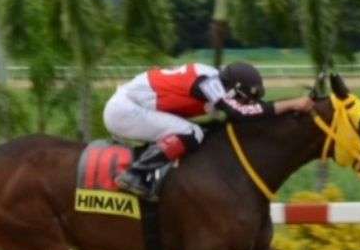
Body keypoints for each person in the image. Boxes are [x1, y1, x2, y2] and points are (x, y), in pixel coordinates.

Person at [102, 61, 314, 199]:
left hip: (133, 107)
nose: (244, 102)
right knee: (192, 132)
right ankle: (135, 174)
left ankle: (150, 173)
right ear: (233, 87)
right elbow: (239, 113)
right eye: (242, 96)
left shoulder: (215, 80)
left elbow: (245, 112)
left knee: (199, 131)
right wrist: (291, 104)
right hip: (125, 110)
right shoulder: (209, 82)